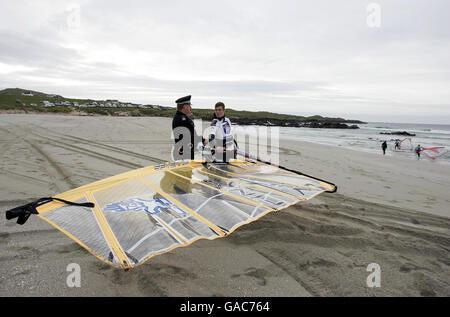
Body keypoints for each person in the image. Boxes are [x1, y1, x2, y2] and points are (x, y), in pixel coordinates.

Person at [172, 95, 205, 160]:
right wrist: (203, 140)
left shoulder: (181, 117)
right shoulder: (181, 119)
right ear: (185, 106)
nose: (190, 107)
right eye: (189, 105)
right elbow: (189, 136)